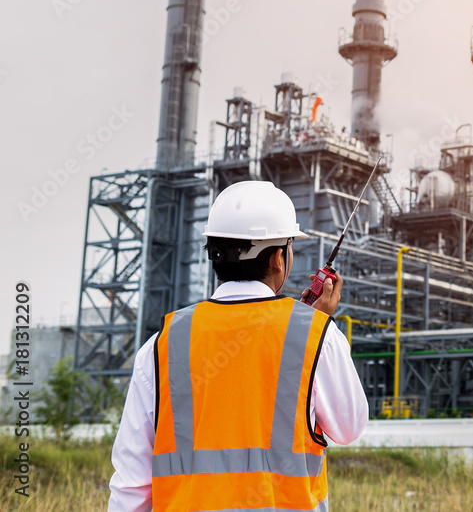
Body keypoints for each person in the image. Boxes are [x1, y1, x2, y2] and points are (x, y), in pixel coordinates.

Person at [108, 181, 368, 511]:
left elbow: (131, 481)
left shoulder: (163, 343)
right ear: (278, 258)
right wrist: (318, 331)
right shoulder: (316, 336)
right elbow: (349, 427)